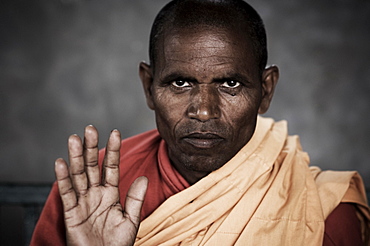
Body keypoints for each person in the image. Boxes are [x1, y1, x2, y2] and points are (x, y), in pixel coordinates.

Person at [31, 0, 369, 245]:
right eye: (180, 83)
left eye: (230, 84)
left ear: (266, 91)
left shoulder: (321, 212)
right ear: (148, 86)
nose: (204, 112)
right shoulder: (92, 189)